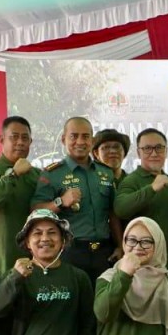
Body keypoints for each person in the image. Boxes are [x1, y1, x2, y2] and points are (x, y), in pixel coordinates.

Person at [31, 116, 123, 286]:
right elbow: (36, 211)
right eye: (74, 136)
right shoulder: (52, 173)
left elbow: (113, 213)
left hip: (104, 252)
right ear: (63, 139)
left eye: (85, 136)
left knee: (102, 300)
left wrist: (120, 246)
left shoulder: (106, 172)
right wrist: (60, 201)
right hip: (71, 251)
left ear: (92, 141)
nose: (80, 141)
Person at [114, 128, 168, 279]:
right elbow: (121, 209)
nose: (154, 153)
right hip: (143, 268)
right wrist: (151, 189)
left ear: (166, 151)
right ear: (138, 153)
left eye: (159, 148)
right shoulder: (131, 181)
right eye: (147, 148)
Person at [0, 116, 40, 278]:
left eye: (25, 138)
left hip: (34, 253)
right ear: (1, 139)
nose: (20, 142)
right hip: (3, 258)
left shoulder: (36, 174)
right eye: (14, 137)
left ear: (30, 142)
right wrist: (13, 174)